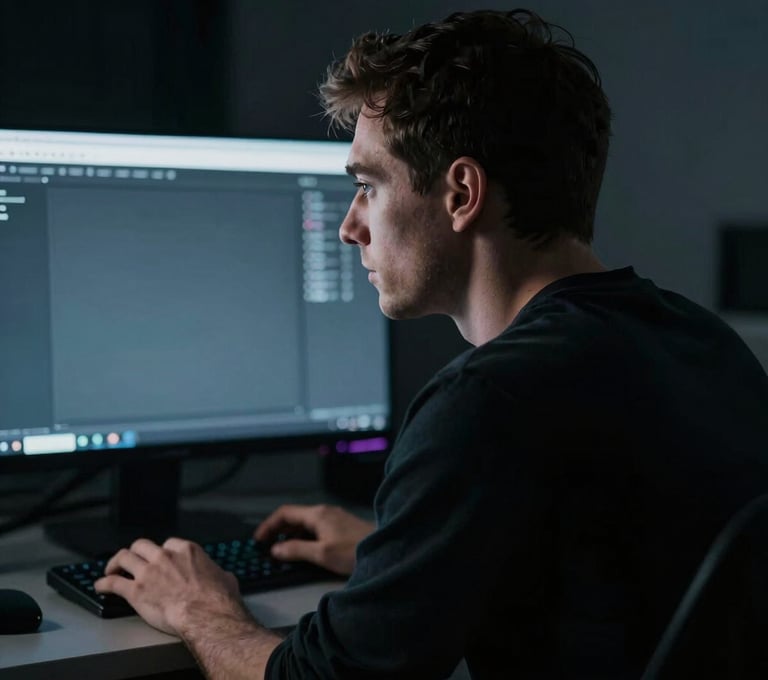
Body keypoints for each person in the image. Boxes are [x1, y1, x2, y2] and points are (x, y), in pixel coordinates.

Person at [95, 8, 768, 679]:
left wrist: (199, 609)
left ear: (461, 193)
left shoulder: (487, 400)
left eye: (367, 186)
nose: (349, 227)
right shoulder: (702, 341)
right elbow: (608, 574)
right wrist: (399, 553)